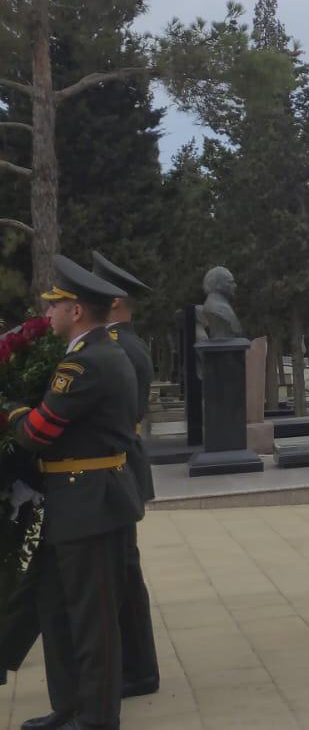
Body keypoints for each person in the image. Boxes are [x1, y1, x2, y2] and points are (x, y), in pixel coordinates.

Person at [7, 255, 143, 730]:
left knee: (92, 619)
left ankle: (97, 718)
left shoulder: (87, 363)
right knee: (58, 609)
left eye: (56, 305)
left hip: (89, 503)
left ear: (77, 311)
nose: (49, 314)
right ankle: (68, 707)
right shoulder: (94, 353)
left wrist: (10, 415)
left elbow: (38, 431)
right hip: (73, 501)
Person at [89, 252, 160, 699]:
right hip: (120, 467)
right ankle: (136, 668)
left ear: (113, 301)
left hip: (115, 468)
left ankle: (137, 670)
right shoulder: (126, 343)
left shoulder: (119, 348)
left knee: (123, 577)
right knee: (124, 574)